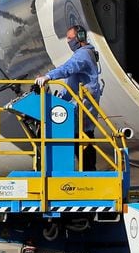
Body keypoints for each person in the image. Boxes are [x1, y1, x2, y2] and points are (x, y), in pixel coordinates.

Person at [35, 25, 103, 170]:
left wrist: (48, 76)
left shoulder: (82, 55)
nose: (68, 41)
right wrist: (59, 98)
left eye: (70, 38)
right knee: (80, 137)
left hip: (82, 105)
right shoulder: (84, 53)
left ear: (80, 38)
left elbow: (68, 68)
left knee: (81, 136)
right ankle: (86, 171)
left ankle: (87, 173)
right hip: (79, 104)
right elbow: (71, 84)